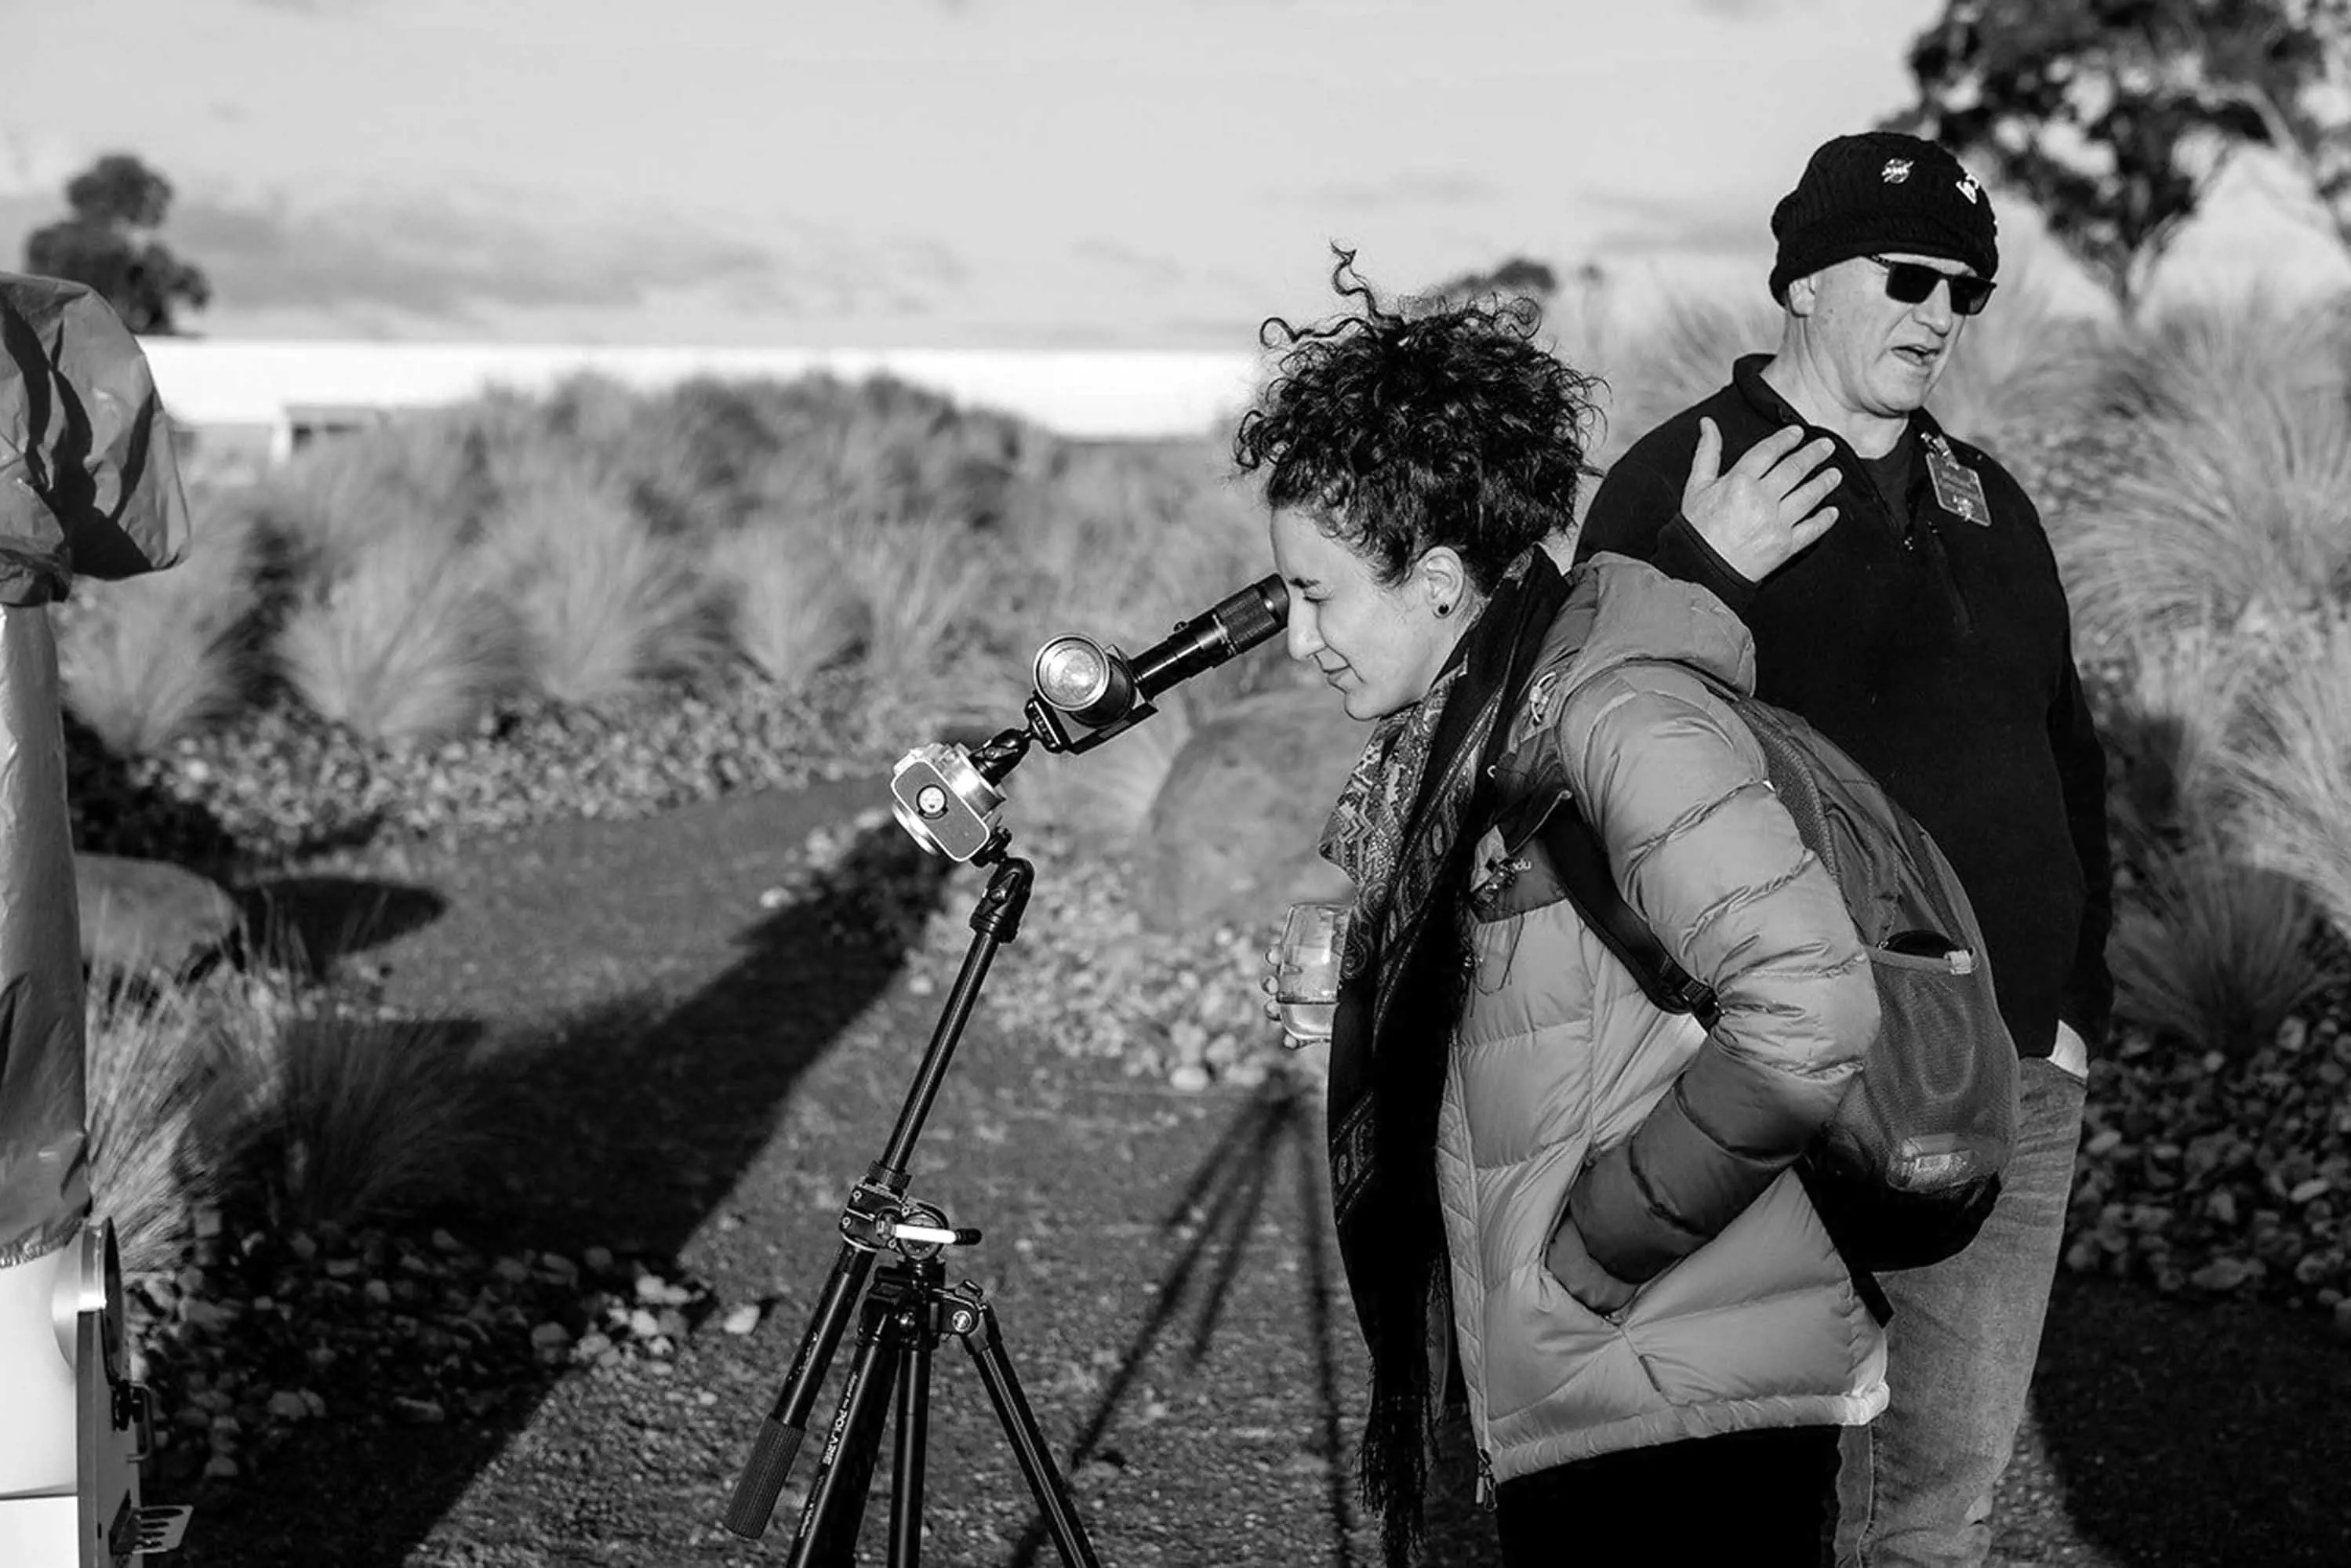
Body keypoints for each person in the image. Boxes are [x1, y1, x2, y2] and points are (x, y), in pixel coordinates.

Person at [1236, 252, 1889, 1568]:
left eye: (1314, 597)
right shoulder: (1466, 731)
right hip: (1583, 1388)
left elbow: (1811, 1006)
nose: (1297, 642)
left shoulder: (1614, 711)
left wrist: (1601, 1247)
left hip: (1680, 1402)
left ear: (1429, 580)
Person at [1575, 130, 2115, 1568]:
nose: (1940, 314)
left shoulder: (1987, 501)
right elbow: (1580, 739)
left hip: (1998, 1074)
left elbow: (2068, 757)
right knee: (1733, 1490)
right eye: (1909, 278)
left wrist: (2074, 1017)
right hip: (1784, 1067)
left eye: (1968, 293)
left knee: (1938, 1496)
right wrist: (1701, 571)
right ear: (1806, 280)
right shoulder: (1687, 473)